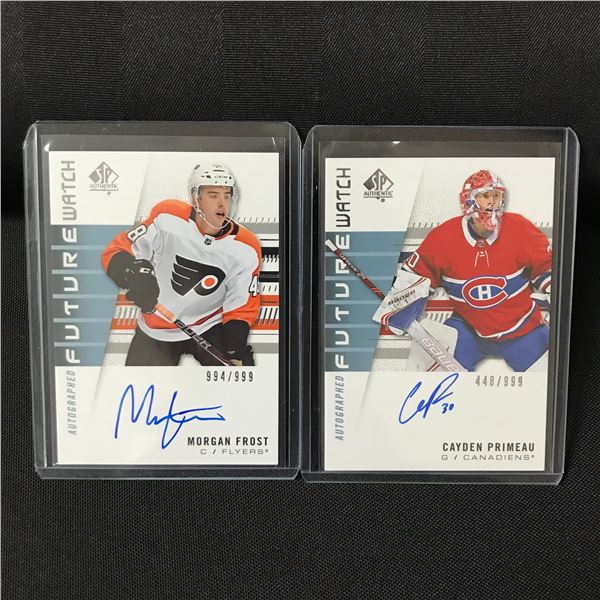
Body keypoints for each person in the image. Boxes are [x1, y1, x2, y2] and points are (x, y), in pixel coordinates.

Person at [374, 170, 552, 372]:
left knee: (547, 378)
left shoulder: (520, 228)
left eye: (496, 195)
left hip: (524, 329)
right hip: (469, 329)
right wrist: (400, 307)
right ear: (467, 201)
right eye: (485, 196)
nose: (493, 202)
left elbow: (547, 266)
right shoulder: (443, 237)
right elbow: (417, 274)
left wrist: (555, 292)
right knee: (430, 373)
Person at [101, 163, 261, 366]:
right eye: (213, 195)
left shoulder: (246, 246)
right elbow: (117, 251)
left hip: (209, 325)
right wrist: (132, 275)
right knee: (137, 383)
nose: (222, 204)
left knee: (241, 374)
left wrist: (234, 349)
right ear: (196, 198)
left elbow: (241, 305)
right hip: (158, 325)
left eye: (227, 196)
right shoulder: (168, 216)